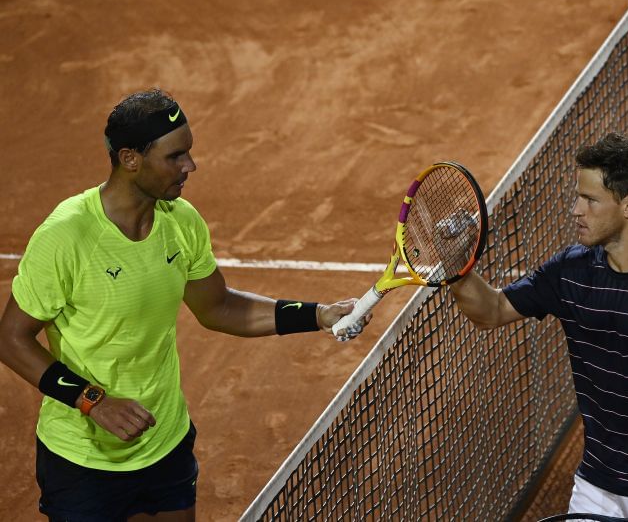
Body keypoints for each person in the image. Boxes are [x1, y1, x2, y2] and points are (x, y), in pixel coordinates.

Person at [0, 88, 369, 522]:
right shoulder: (67, 236)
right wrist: (92, 401)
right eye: (175, 156)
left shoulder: (181, 222)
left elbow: (220, 308)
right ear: (130, 158)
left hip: (165, 441)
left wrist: (318, 314)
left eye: (188, 153)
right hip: (84, 461)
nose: (190, 166)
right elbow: (10, 339)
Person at [448, 133, 628, 522]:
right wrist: (456, 265)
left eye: (590, 200)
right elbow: (492, 311)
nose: (575, 210)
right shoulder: (570, 271)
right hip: (598, 485)